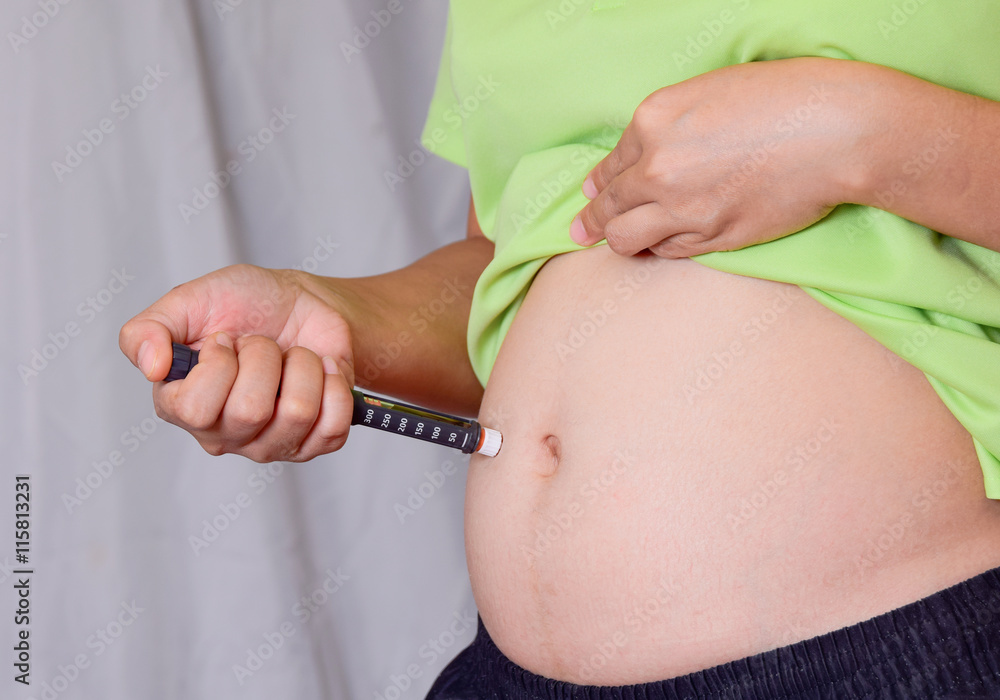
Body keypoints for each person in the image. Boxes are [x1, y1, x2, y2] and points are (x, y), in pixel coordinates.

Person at [121, 1, 1000, 697]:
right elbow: (512, 270)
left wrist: (869, 137)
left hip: (908, 643)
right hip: (509, 672)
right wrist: (335, 316)